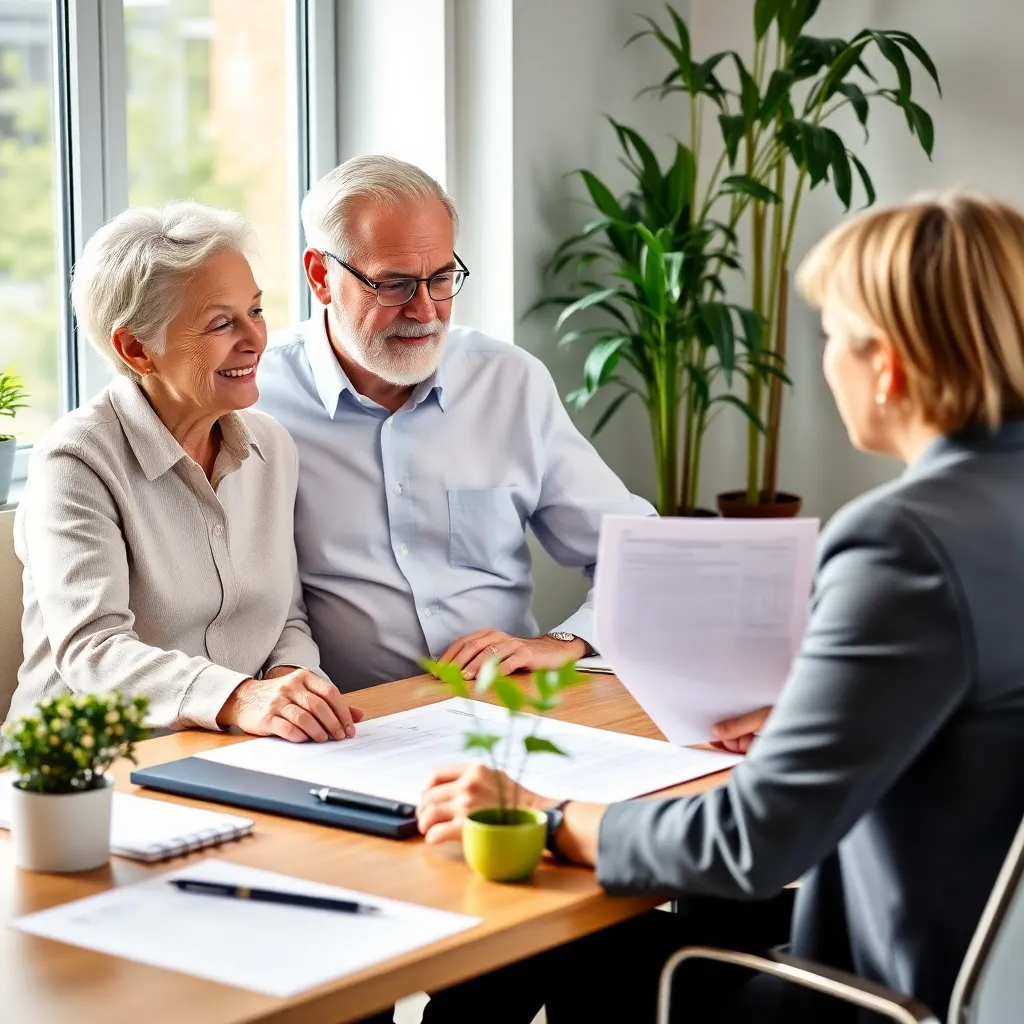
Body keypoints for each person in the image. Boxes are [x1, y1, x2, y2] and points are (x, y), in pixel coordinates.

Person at [415, 191, 1024, 1022]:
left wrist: (545, 816)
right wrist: (829, 723)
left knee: (566, 942)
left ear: (886, 366)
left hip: (882, 998)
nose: (827, 363)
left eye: (831, 337)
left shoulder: (903, 541)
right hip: (987, 981)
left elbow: (750, 841)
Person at [255, 155, 656, 691]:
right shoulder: (256, 398)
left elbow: (640, 554)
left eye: (442, 279)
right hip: (351, 719)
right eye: (394, 285)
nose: (426, 311)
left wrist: (565, 642)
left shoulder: (509, 382)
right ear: (321, 276)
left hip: (507, 707)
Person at [7, 202, 361, 743]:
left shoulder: (272, 447)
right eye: (221, 323)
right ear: (136, 349)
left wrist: (291, 683)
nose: (254, 339)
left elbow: (284, 619)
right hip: (83, 766)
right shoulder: (75, 462)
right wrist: (242, 697)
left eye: (256, 310)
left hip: (229, 751)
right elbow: (92, 651)